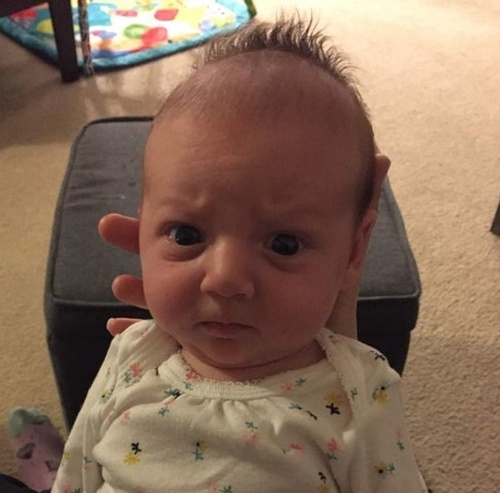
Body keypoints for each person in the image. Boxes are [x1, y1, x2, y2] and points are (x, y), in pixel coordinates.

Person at [50, 15, 427, 493]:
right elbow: (79, 469)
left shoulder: (360, 390)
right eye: (186, 234)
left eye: (284, 244)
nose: (224, 278)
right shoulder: (133, 353)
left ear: (353, 252)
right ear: (144, 229)